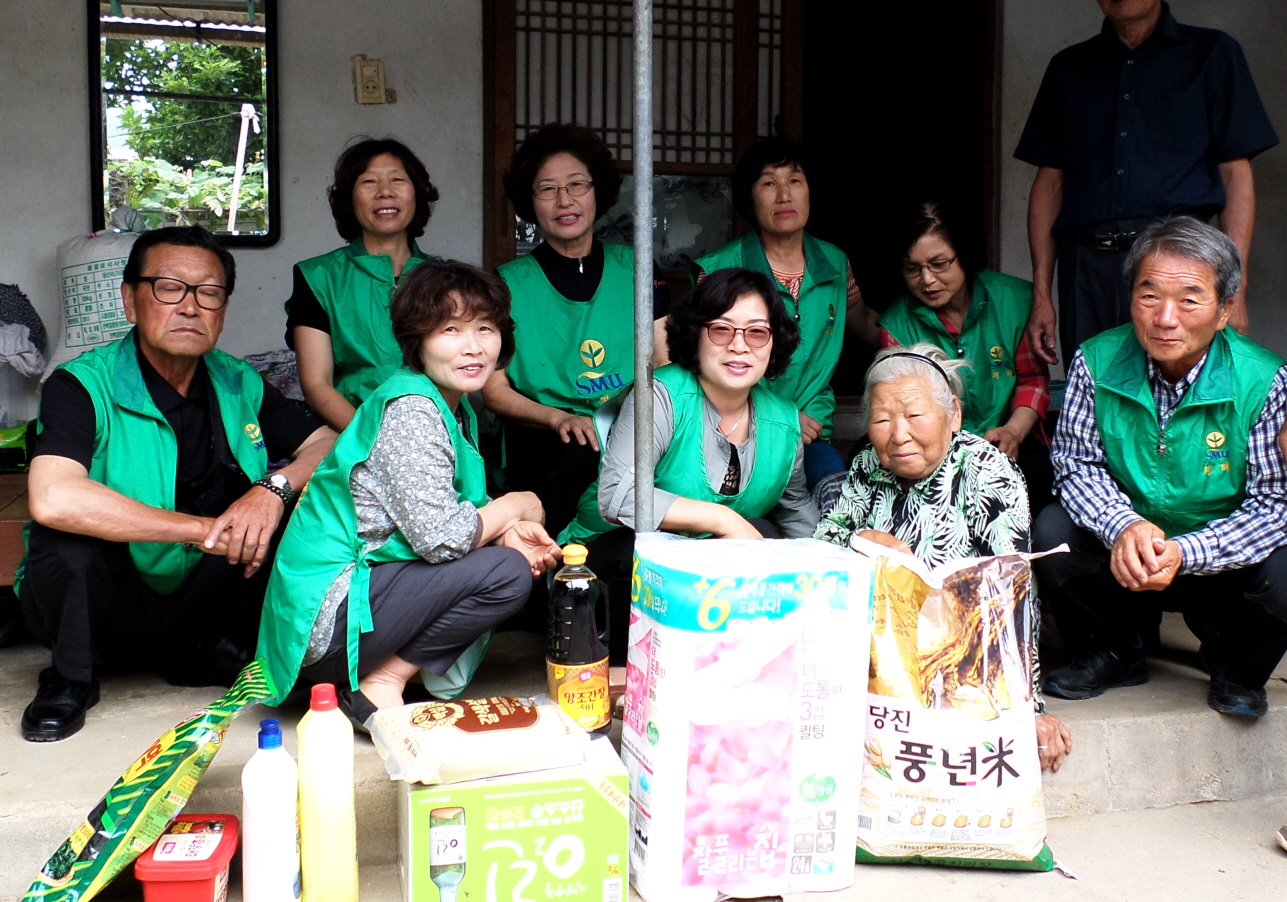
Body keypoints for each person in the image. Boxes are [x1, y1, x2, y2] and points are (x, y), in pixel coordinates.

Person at [18, 226, 336, 742]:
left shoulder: (238, 380)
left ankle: (201, 650)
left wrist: (270, 490)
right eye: (169, 288)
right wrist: (200, 528)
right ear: (130, 300)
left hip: (197, 593)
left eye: (208, 293)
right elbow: (53, 496)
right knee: (66, 543)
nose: (190, 307)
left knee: (291, 514)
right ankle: (71, 675)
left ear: (223, 310)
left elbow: (326, 446)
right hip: (110, 596)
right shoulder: (81, 384)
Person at [259, 260, 560, 721]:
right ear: (417, 340)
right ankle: (381, 682)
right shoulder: (412, 409)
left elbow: (445, 514)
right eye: (451, 330)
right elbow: (442, 539)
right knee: (505, 573)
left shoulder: (452, 406)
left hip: (359, 605)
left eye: (485, 328)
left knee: (509, 559)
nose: (473, 347)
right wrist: (519, 504)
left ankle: (385, 673)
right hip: (327, 624)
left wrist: (506, 528)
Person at [1034, 216, 1287, 718]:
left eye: (1190, 299)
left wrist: (1185, 551)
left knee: (1284, 565)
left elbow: (1274, 504)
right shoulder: (1097, 361)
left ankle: (1236, 667)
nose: (1165, 317)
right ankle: (1116, 649)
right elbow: (1074, 465)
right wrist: (1124, 524)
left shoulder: (1264, 379)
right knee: (1052, 530)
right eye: (1149, 296)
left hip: (1217, 559)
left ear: (1224, 310)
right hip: (1126, 556)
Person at [814, 344, 1071, 772]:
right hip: (880, 659)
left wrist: (1030, 707)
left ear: (952, 413)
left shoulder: (986, 470)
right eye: (881, 419)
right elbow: (824, 544)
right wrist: (861, 541)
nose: (898, 434)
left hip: (960, 663)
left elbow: (1013, 595)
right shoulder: (865, 466)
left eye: (914, 415)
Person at [559, 268, 818, 665]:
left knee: (769, 534)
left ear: (773, 343)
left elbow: (799, 516)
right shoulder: (661, 395)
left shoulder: (783, 421)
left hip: (706, 581)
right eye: (721, 330)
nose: (739, 346)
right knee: (637, 553)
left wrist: (824, 583)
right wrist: (723, 519)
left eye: (756, 332)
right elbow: (617, 496)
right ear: (696, 335)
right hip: (607, 565)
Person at [1015, 0, 1277, 366]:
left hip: (1181, 263)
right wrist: (1042, 294)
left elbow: (1235, 174)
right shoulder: (1069, 67)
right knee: (1096, 390)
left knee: (1182, 394)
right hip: (1088, 269)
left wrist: (1236, 289)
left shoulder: (1212, 54)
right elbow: (1051, 184)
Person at [482, 123, 671, 540]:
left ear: (597, 191)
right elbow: (494, 390)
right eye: (547, 189)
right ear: (530, 201)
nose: (564, 200)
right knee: (576, 453)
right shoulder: (506, 283)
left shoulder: (638, 267)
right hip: (543, 433)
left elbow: (665, 360)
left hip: (629, 424)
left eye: (576, 185)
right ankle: (552, 578)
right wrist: (557, 417)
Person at [693, 137, 879, 489]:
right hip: (735, 432)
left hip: (812, 434)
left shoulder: (835, 264)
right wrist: (779, 417)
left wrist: (923, 339)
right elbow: (700, 363)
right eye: (768, 183)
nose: (784, 195)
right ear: (749, 198)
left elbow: (865, 324)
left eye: (794, 181)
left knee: (835, 499)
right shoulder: (718, 270)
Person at [877, 200, 1052, 506]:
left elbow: (1032, 381)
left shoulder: (1017, 302)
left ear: (965, 255)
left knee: (1038, 469)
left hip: (1008, 440)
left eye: (939, 263)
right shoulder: (896, 326)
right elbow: (903, 409)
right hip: (932, 450)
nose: (927, 279)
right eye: (913, 268)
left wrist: (1011, 432)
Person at [287, 138, 440, 430]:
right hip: (354, 434)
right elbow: (317, 386)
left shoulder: (446, 279)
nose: (385, 192)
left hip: (436, 431)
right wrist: (372, 439)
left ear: (417, 194)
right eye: (368, 182)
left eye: (398, 180)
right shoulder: (318, 277)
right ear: (349, 199)